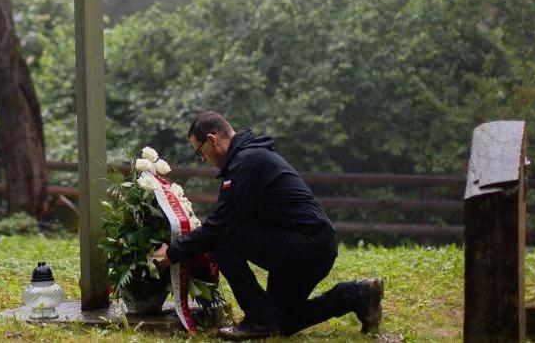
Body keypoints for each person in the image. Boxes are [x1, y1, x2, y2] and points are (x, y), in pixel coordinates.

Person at [151, 111, 383, 340]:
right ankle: (355, 294)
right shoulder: (247, 158)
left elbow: (218, 227)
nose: (203, 160)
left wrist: (171, 253)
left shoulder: (246, 162)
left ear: (212, 139)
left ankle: (257, 319)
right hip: (310, 244)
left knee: (223, 239)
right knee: (283, 321)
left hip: (308, 246)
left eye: (200, 153)